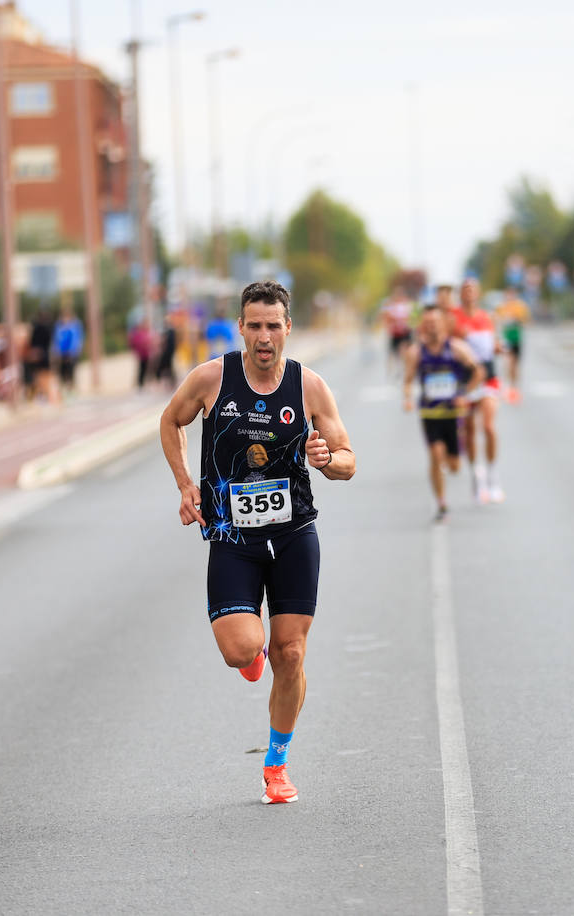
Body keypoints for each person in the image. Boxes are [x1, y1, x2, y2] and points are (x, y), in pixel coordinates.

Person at [159, 280, 354, 806]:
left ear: (288, 328)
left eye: (274, 325)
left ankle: (276, 764)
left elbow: (347, 461)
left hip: (293, 537)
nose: (264, 336)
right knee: (241, 651)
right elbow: (171, 420)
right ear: (241, 327)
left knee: (290, 653)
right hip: (233, 539)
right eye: (255, 325)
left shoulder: (308, 387)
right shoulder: (211, 379)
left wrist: (326, 461)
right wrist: (185, 484)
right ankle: (251, 653)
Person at [402, 305, 483, 521]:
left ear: (444, 324)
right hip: (430, 414)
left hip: (454, 414)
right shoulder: (417, 352)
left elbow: (478, 372)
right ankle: (441, 503)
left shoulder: (457, 348)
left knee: (454, 466)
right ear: (423, 326)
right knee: (436, 455)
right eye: (427, 323)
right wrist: (408, 398)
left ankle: (459, 449)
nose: (432, 326)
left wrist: (464, 393)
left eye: (435, 322)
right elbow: (408, 379)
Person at [453, 278, 504, 503]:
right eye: (465, 289)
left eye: (473, 289)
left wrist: (497, 347)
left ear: (479, 293)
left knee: (489, 427)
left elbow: (494, 344)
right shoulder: (454, 318)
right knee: (470, 431)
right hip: (466, 378)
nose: (469, 293)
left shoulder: (487, 317)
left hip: (488, 376)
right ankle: (477, 476)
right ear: (461, 294)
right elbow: (450, 345)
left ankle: (493, 476)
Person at [495, 287, 530, 403]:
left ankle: (514, 387)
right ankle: (509, 387)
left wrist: (517, 320)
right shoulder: (501, 307)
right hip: (506, 338)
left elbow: (526, 321)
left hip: (517, 338)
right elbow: (496, 320)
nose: (510, 296)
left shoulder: (520, 307)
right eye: (508, 294)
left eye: (512, 294)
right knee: (508, 362)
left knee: (515, 365)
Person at [380, 286, 414, 372]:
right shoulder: (390, 305)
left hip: (405, 332)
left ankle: (406, 366)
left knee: (406, 350)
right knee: (393, 351)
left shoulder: (407, 305)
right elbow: (385, 316)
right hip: (395, 333)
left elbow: (411, 318)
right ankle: (393, 368)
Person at [53, 305, 85, 396]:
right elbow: (56, 340)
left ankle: (72, 390)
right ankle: (65, 390)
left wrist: (73, 351)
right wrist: (57, 351)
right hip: (62, 353)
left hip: (72, 353)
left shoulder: (75, 325)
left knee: (71, 372)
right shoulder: (59, 326)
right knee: (62, 373)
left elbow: (76, 339)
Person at [25, 309, 56, 403]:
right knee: (43, 375)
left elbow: (31, 342)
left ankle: (42, 394)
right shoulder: (48, 328)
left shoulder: (37, 328)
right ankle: (43, 394)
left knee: (39, 376)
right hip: (43, 355)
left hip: (38, 355)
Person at [128, 320, 154, 390]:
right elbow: (135, 343)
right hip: (141, 354)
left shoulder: (145, 333)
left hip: (146, 353)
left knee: (145, 369)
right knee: (142, 369)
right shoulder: (138, 334)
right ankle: (140, 384)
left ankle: (143, 383)